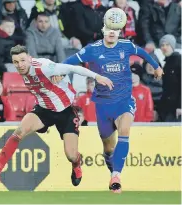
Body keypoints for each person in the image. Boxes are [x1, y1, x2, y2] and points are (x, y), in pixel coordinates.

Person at [0, 45, 113, 187]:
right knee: (19, 132)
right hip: (43, 110)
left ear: (30, 58)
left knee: (71, 155)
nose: (20, 65)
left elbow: (73, 68)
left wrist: (97, 76)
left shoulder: (44, 66)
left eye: (23, 60)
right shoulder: (23, 71)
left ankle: (76, 164)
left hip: (66, 111)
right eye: (16, 62)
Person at [63, 8, 163, 193]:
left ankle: (116, 175)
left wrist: (156, 67)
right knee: (109, 149)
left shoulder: (126, 46)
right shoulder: (92, 50)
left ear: (119, 31)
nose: (111, 32)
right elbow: (71, 60)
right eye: (108, 28)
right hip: (103, 105)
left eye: (115, 29)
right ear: (103, 30)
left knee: (124, 129)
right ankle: (113, 170)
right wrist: (59, 71)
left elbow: (142, 52)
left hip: (124, 100)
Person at [158, 34, 181, 122]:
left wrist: (180, 106)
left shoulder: (179, 61)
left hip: (176, 109)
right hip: (167, 107)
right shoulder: (167, 63)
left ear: (172, 46)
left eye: (167, 45)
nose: (164, 47)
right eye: (162, 45)